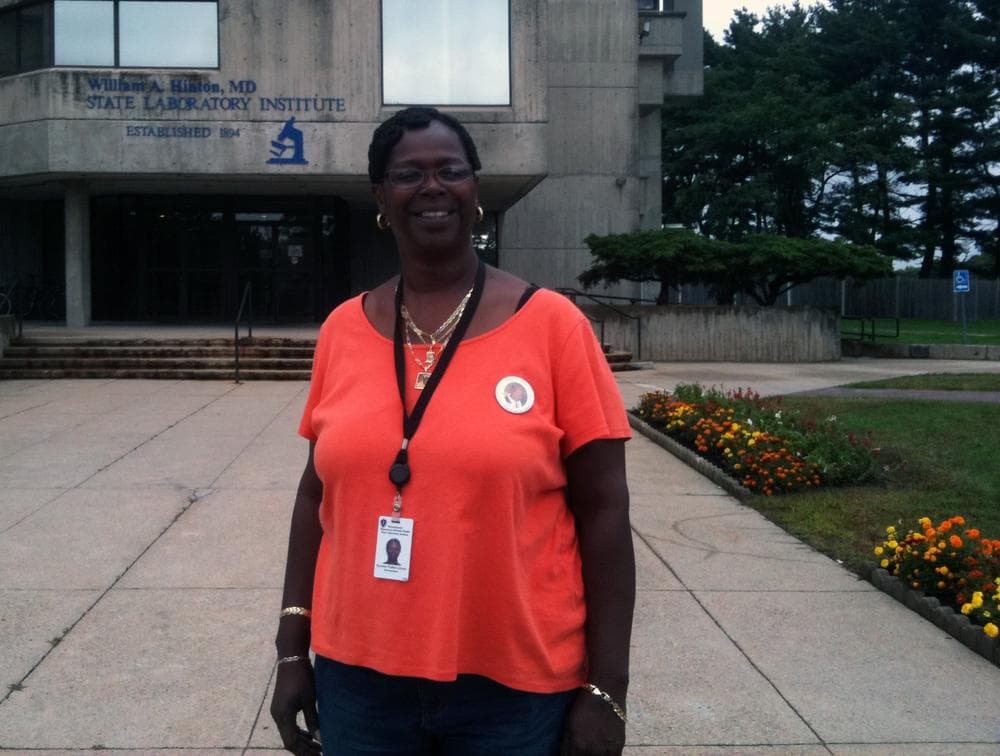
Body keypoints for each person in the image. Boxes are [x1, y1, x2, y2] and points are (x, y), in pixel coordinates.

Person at [270, 106, 634, 756]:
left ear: (476, 190)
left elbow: (605, 512)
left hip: (515, 689)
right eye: (409, 173)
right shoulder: (342, 331)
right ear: (381, 197)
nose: (432, 187)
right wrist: (292, 648)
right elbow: (312, 496)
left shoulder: (553, 327)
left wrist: (607, 689)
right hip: (358, 682)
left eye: (452, 171)